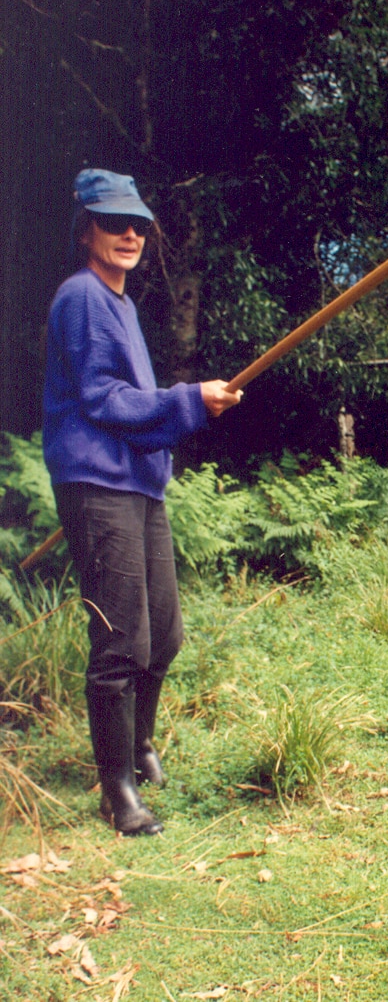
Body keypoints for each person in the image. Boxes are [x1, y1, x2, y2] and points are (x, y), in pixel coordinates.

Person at [42, 169, 242, 836]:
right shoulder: (80, 298)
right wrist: (191, 400)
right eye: (112, 222)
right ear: (85, 229)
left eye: (137, 224)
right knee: (122, 639)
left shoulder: (120, 303)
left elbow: (129, 408)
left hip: (138, 483)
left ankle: (139, 745)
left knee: (165, 634)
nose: (129, 233)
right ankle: (116, 790)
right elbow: (102, 401)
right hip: (98, 485)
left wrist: (191, 404)